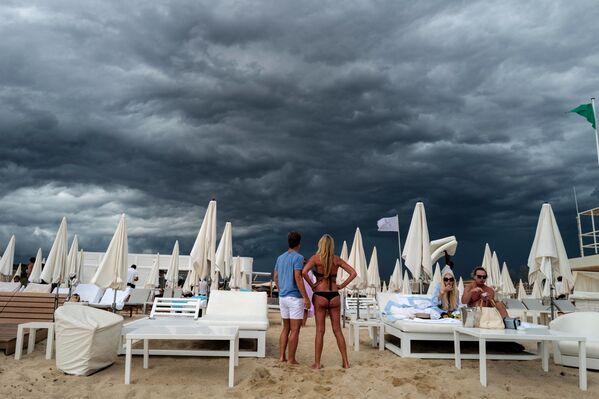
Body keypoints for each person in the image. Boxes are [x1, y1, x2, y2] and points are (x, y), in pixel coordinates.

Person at [302, 234, 357, 369]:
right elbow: (353, 273)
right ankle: (346, 362)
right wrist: (342, 285)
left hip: (320, 294)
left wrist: (312, 285)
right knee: (337, 330)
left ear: (320, 245)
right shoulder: (336, 260)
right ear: (332, 246)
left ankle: (317, 363)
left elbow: (303, 272)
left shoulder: (315, 259)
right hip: (334, 295)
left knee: (320, 331)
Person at [274, 231, 311, 365]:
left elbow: (276, 277)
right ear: (299, 244)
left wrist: (281, 289)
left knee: (286, 328)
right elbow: (298, 277)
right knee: (295, 330)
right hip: (294, 298)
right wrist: (306, 297)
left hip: (282, 297)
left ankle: (281, 357)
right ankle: (291, 359)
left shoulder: (280, 258)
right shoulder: (298, 257)